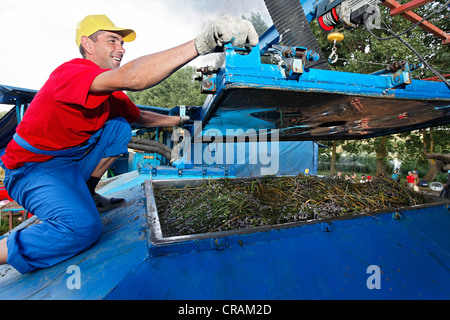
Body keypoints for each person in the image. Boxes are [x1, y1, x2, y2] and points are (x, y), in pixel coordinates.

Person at [0, 14, 258, 274]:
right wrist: (200, 44)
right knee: (83, 228)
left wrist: (183, 118)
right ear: (88, 45)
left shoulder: (111, 94)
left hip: (68, 165)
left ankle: (87, 192)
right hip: (32, 170)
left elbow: (142, 117)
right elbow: (134, 78)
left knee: (119, 127)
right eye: (112, 41)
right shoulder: (71, 73)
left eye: (122, 43)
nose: (121, 49)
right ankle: (4, 251)